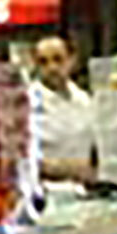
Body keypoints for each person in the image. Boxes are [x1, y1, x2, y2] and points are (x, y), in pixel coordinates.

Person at [30, 36, 96, 183]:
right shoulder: (27, 105)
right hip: (45, 193)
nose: (52, 68)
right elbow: (24, 160)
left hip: (84, 190)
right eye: (43, 62)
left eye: (58, 59)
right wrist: (68, 170)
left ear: (72, 60)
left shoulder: (84, 100)